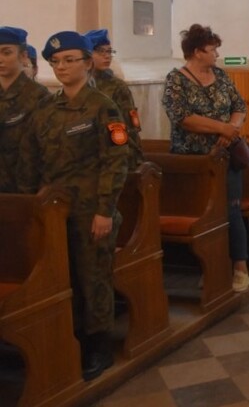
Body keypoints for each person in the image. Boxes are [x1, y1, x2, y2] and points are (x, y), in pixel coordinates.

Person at [18, 31, 129, 381]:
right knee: (65, 278)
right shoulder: (48, 109)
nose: (62, 67)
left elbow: (116, 161)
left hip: (91, 210)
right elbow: (33, 159)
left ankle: (99, 346)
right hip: (55, 211)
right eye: (56, 62)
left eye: (69, 60)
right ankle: (73, 339)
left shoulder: (102, 105)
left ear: (86, 62)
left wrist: (104, 210)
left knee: (92, 277)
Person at [162, 24, 249, 293]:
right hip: (193, 160)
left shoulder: (221, 76)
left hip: (225, 157)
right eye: (211, 50)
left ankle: (240, 268)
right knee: (201, 214)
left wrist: (231, 129)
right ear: (195, 52)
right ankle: (205, 267)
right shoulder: (176, 80)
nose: (216, 55)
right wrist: (220, 127)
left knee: (231, 210)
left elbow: (239, 106)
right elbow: (182, 117)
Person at [84, 29, 144, 170]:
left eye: (109, 51)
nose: (107, 56)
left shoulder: (117, 86)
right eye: (100, 52)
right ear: (87, 54)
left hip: (114, 155)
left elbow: (130, 127)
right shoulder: (80, 84)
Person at [0, 27, 48, 192]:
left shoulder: (38, 96)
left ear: (23, 56)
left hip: (25, 189)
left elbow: (47, 149)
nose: (0, 59)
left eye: (6, 53)